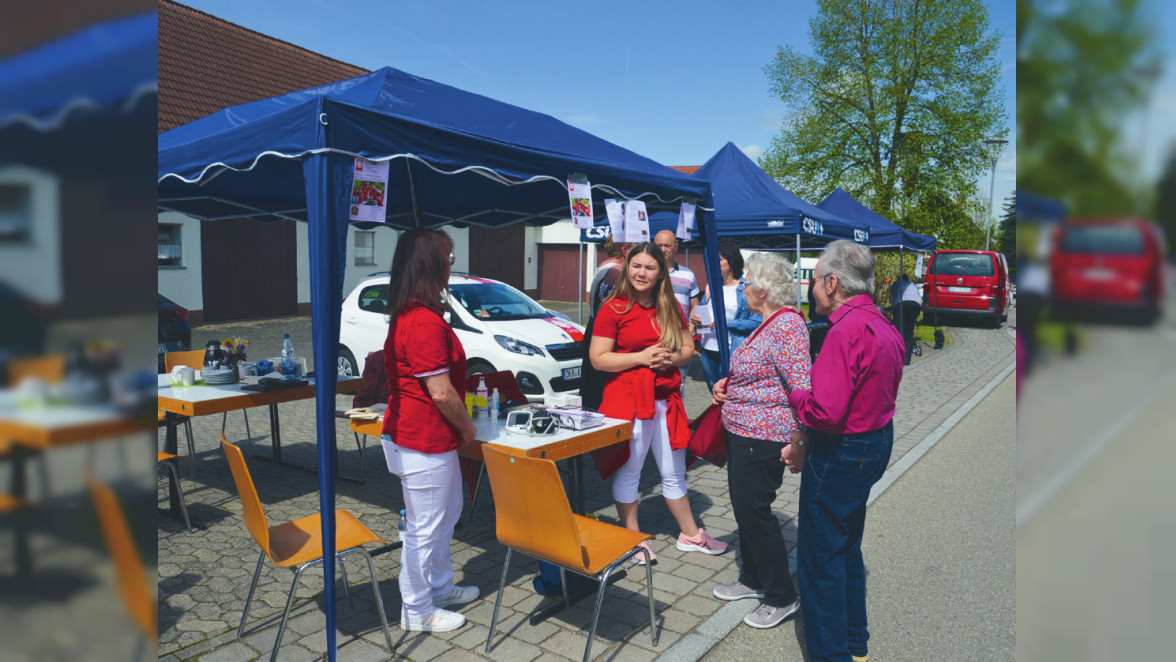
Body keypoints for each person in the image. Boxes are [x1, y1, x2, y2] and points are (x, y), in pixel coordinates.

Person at [785, 240, 904, 662]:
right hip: (874, 441)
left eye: (814, 279)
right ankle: (855, 643)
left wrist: (796, 393)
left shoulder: (844, 331)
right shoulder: (883, 324)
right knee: (846, 543)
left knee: (820, 560)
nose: (811, 288)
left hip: (842, 450)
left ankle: (831, 654)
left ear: (832, 283)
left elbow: (824, 411)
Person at [589, 242, 728, 563]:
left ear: (660, 272)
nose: (641, 272)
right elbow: (598, 359)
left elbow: (686, 350)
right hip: (628, 401)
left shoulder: (670, 308)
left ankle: (691, 535)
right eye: (636, 266)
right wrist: (640, 356)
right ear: (627, 268)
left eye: (649, 267)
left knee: (674, 471)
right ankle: (633, 538)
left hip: (667, 400)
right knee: (631, 472)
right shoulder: (614, 308)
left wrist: (671, 356)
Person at [380, 229, 479, 633]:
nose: (451, 267)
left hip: (425, 437)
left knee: (446, 514)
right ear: (430, 263)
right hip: (423, 438)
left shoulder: (415, 313)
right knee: (424, 528)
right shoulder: (421, 321)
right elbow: (440, 393)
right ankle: (417, 610)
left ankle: (439, 585)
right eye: (449, 259)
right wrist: (468, 426)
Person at [709, 252, 811, 629]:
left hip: (763, 436)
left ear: (764, 290)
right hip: (742, 431)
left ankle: (782, 595)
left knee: (755, 513)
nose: (744, 286)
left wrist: (800, 437)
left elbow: (803, 387)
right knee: (743, 509)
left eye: (748, 281)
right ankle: (753, 578)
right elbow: (759, 373)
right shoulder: (766, 323)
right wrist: (727, 386)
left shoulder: (786, 327)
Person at [691, 242, 761, 391]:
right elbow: (702, 312)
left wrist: (727, 323)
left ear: (732, 261)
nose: (715, 263)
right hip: (707, 348)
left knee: (730, 392)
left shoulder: (746, 288)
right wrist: (696, 320)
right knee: (714, 392)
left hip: (731, 350)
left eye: (720, 259)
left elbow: (756, 322)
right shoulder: (712, 286)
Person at [581, 234, 631, 410]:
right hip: (605, 336)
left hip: (595, 331)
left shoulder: (603, 267)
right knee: (601, 389)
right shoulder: (615, 272)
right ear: (625, 250)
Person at [653, 230, 702, 389]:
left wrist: (692, 327)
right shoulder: (648, 273)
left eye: (667, 245)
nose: (663, 249)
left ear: (676, 247)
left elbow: (695, 304)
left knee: (678, 384)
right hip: (653, 336)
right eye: (659, 245)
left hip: (679, 338)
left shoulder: (688, 275)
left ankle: (676, 413)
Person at [888, 269, 922, 365]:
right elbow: (920, 299)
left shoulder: (896, 284)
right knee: (909, 331)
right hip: (915, 305)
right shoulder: (913, 284)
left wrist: (892, 308)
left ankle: (900, 357)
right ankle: (907, 358)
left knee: (900, 331)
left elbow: (891, 297)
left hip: (901, 304)